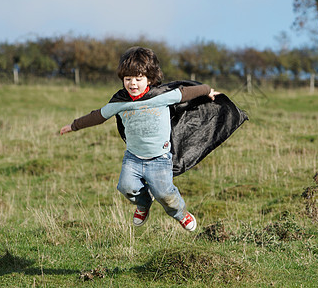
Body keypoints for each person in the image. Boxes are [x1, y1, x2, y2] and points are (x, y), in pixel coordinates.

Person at [60, 46, 220, 232]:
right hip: (133, 158)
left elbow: (186, 92)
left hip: (159, 159)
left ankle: (181, 214)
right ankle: (143, 205)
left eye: (138, 78)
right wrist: (73, 126)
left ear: (150, 79)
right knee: (125, 187)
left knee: (164, 194)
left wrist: (207, 90)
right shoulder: (120, 103)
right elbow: (98, 116)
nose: (133, 83)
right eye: (128, 79)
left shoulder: (162, 96)